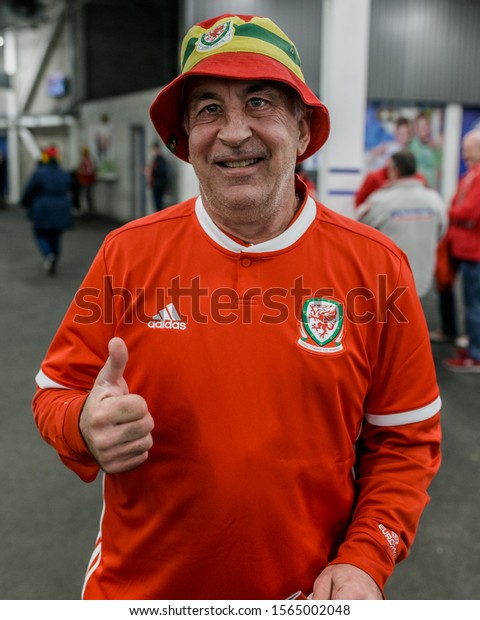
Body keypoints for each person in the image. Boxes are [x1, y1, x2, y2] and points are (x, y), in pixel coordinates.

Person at [32, 14, 441, 600]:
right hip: (137, 594)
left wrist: (368, 557)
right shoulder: (127, 254)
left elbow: (406, 439)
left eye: (258, 102)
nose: (233, 132)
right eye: (209, 110)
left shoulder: (377, 270)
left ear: (302, 130)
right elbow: (53, 393)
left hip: (303, 597)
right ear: (186, 141)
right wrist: (82, 425)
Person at [357, 150, 447, 299]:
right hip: (423, 280)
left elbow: (358, 229)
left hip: (389, 281)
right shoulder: (434, 199)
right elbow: (441, 231)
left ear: (395, 171)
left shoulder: (380, 201)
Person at [443, 129, 480, 372]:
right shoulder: (470, 175)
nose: (464, 154)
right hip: (465, 250)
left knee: (474, 304)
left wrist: (455, 214)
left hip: (474, 253)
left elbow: (468, 213)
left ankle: (475, 355)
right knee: (470, 303)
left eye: (469, 149)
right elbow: (458, 206)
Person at [21, 145, 73, 275]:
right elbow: (71, 187)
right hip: (62, 206)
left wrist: (24, 203)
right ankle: (54, 255)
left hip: (43, 206)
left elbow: (30, 190)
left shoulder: (39, 173)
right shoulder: (64, 173)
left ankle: (49, 254)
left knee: (40, 233)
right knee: (56, 235)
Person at [146, 141, 169, 211]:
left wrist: (152, 171)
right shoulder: (155, 159)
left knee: (159, 203)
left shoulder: (161, 159)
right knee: (156, 203)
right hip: (155, 185)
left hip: (159, 185)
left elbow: (162, 171)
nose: (153, 152)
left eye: (155, 149)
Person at [75, 146, 97, 214]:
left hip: (86, 181)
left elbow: (88, 171)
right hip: (86, 181)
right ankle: (88, 210)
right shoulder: (88, 160)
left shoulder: (86, 161)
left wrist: (80, 171)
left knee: (87, 195)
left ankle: (88, 210)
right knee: (87, 195)